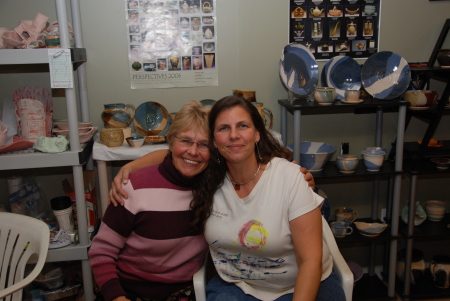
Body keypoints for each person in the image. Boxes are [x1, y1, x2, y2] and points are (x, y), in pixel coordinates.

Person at [203, 96, 345, 301]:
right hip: (238, 286)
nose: (234, 135)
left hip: (303, 283)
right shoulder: (207, 181)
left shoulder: (290, 177)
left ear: (258, 134)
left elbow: (310, 261)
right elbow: (175, 153)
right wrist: (136, 165)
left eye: (242, 126)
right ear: (214, 140)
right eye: (224, 128)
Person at [89, 100, 213, 301]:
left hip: (183, 293)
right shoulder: (133, 187)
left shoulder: (214, 187)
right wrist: (118, 298)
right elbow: (101, 252)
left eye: (204, 144)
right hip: (127, 290)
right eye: (186, 141)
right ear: (171, 142)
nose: (193, 151)